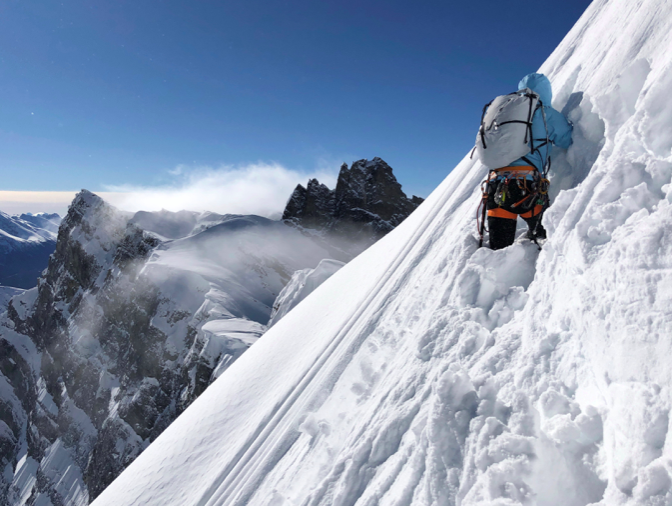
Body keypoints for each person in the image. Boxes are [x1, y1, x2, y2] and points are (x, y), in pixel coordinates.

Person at [486, 73, 573, 250]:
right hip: (527, 188)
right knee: (549, 243)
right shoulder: (544, 112)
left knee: (498, 252)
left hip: (496, 187)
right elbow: (568, 139)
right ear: (546, 93)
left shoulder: (503, 114)